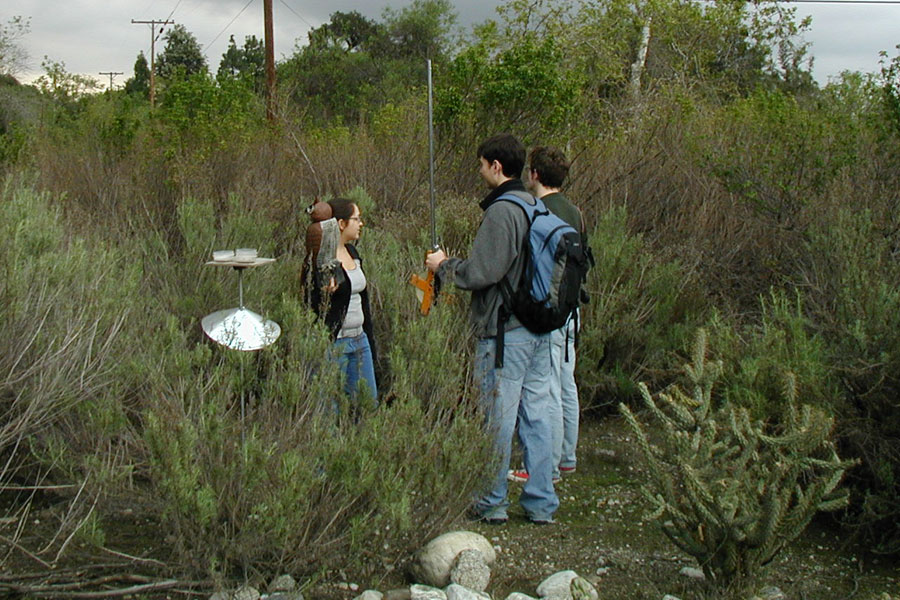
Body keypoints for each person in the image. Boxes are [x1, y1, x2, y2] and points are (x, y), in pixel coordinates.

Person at [425, 133, 558, 524]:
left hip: (506, 333)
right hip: (539, 328)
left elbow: (484, 271)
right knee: (537, 415)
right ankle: (541, 504)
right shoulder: (535, 204)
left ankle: (490, 501)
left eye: (481, 165)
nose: (480, 171)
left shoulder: (503, 210)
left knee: (496, 418)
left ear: (496, 167)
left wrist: (444, 267)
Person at [508, 146, 587, 484]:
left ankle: (546, 467)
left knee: (548, 388)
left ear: (535, 175)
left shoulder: (537, 210)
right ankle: (566, 456)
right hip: (573, 309)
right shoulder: (576, 212)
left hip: (548, 312)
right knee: (566, 382)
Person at [304, 198, 378, 406]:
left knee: (368, 404)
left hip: (360, 340)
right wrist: (326, 294)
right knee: (328, 410)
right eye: (356, 219)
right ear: (341, 224)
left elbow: (363, 302)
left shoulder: (353, 253)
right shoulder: (319, 260)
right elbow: (309, 302)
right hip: (334, 343)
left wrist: (370, 340)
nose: (361, 223)